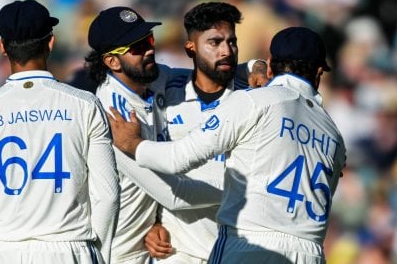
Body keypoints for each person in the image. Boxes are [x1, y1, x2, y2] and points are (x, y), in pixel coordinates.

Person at [108, 26, 346, 263]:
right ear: (318, 73)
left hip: (249, 244)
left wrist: (134, 144)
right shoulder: (335, 135)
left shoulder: (255, 101)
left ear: (270, 64)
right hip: (311, 253)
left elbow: (178, 158)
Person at [0, 0, 119, 264]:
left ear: (2, 47)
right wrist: (97, 256)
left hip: (4, 251)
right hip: (68, 247)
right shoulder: (85, 104)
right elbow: (107, 196)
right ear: (51, 43)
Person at [117, 2, 246, 263]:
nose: (226, 51)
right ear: (191, 48)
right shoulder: (168, 90)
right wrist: (153, 223)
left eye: (231, 42)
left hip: (233, 250)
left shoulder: (251, 101)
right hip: (177, 252)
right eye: (214, 42)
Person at [85, 6, 188, 264]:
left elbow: (204, 76)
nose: (149, 50)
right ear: (111, 61)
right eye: (137, 47)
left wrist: (252, 67)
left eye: (149, 40)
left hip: (144, 247)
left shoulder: (150, 76)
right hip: (114, 252)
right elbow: (171, 194)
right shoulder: (112, 116)